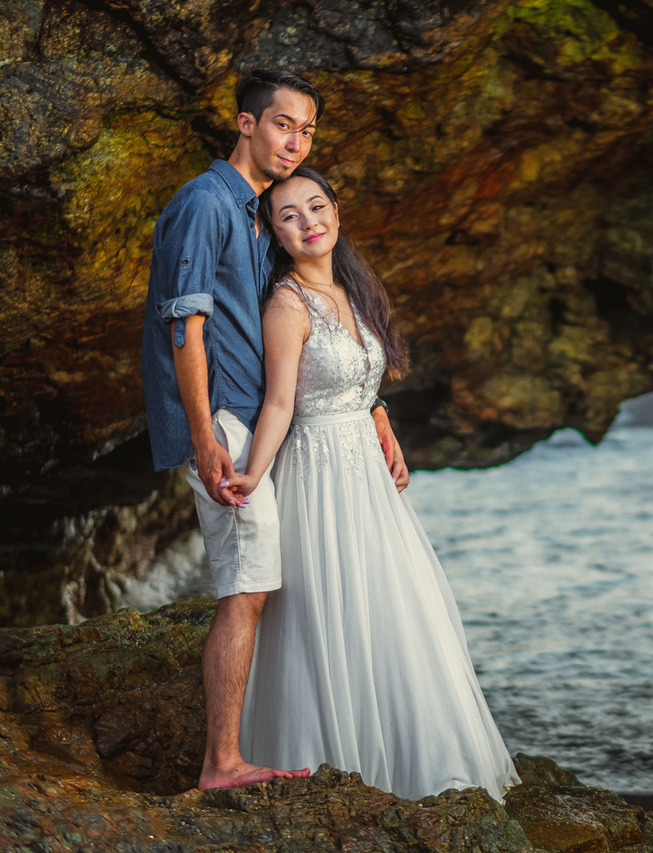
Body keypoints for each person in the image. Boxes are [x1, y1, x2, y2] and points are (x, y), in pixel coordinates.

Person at [140, 70, 407, 790]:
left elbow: (309, 339)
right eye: (284, 124)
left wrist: (370, 404)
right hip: (222, 417)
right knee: (248, 582)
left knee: (261, 581)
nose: (296, 141)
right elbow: (185, 327)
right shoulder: (204, 203)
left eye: (309, 130)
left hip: (251, 415)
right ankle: (221, 760)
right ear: (246, 123)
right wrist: (204, 436)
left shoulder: (257, 214)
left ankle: (248, 744)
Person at [228, 167, 520, 802]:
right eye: (289, 216)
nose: (309, 223)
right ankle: (328, 757)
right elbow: (280, 403)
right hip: (315, 471)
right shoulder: (286, 303)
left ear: (337, 211)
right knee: (325, 607)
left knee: (389, 602)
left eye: (316, 206)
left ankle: (413, 762)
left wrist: (380, 415)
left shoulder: (356, 292)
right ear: (275, 234)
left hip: (365, 471)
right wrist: (252, 472)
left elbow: (364, 383)